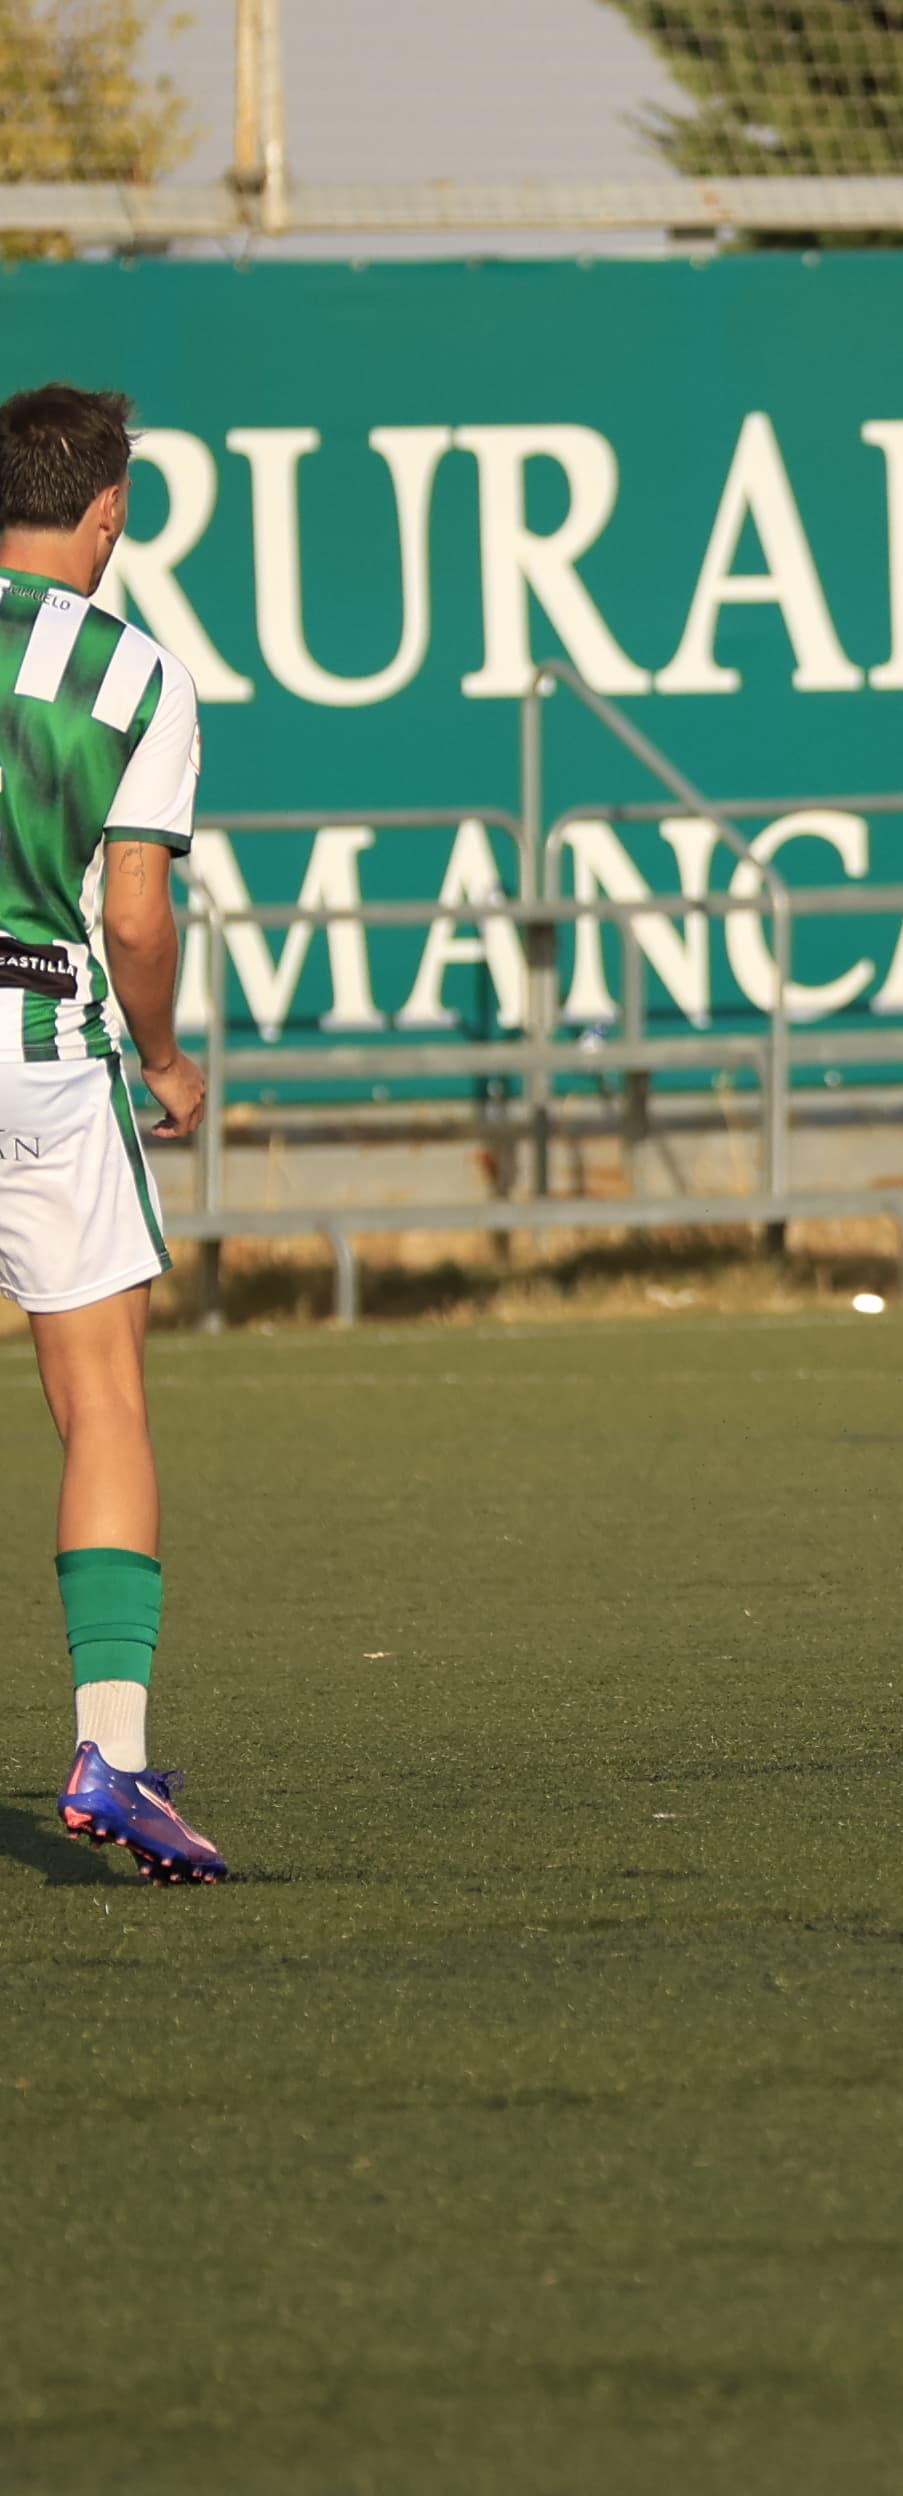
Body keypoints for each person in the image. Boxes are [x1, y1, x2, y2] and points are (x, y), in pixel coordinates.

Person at [0, 383, 224, 1878]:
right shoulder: (132, 673)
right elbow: (135, 910)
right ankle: (116, 1755)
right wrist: (165, 1054)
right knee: (103, 1400)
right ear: (108, 515)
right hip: (38, 1052)